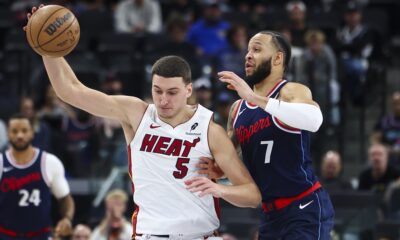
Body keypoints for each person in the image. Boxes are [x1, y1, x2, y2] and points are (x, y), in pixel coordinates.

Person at [25, 6, 261, 238]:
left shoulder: (210, 129)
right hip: (151, 234)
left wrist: (219, 189)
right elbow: (70, 91)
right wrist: (46, 47)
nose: (163, 99)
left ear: (189, 90)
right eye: (157, 90)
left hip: (200, 234)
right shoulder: (137, 113)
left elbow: (252, 196)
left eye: (172, 92)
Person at [203, 31, 335, 239]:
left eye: (256, 49)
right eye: (247, 50)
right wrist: (218, 170)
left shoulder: (290, 91)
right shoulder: (238, 109)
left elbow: (315, 120)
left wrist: (255, 98)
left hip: (304, 205)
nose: (248, 55)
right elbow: (231, 161)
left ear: (277, 58)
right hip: (269, 214)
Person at [0, 114, 75, 239]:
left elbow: (64, 198)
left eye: (24, 131)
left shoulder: (49, 162)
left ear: (32, 133)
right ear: (8, 134)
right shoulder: (1, 162)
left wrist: (67, 218)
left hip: (40, 235)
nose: (20, 136)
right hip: (6, 235)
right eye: (14, 131)